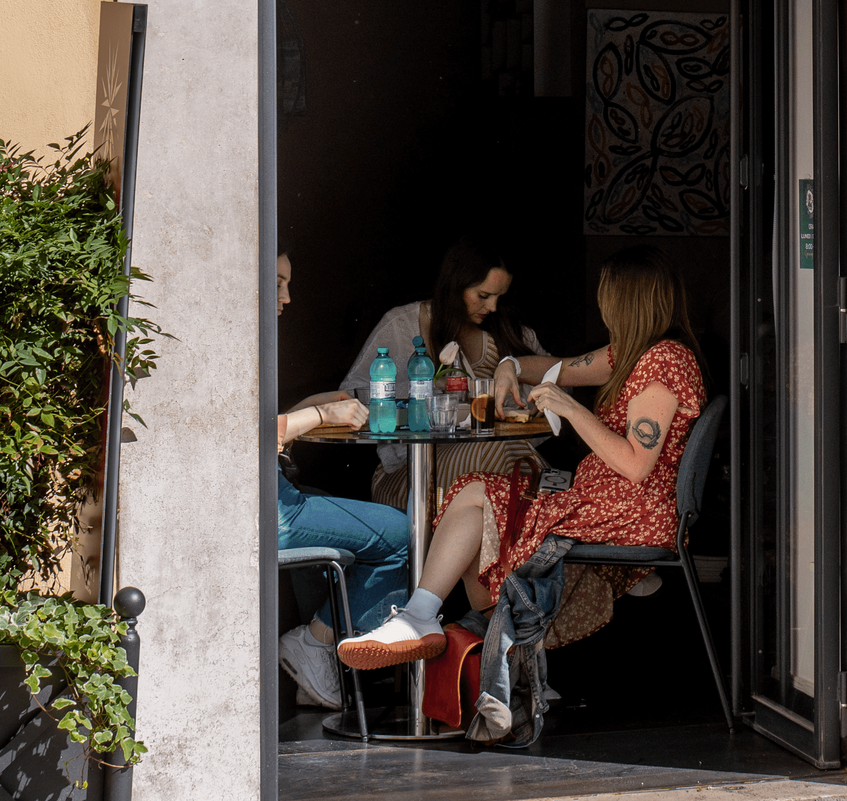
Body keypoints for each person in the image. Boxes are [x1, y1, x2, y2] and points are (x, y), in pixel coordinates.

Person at [338, 244, 705, 670]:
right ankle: (443, 625)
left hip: (629, 510)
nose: (602, 308)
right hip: (608, 500)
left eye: (607, 297)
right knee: (476, 497)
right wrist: (508, 366)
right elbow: (558, 366)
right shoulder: (633, 353)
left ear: (626, 302)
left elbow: (636, 464)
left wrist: (572, 409)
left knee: (480, 496)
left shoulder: (662, 364)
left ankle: (449, 625)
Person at [272, 253, 412, 710]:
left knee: (327, 505)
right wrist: (319, 415)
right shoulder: (234, 343)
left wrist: (311, 409)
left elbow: (260, 426)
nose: (287, 297)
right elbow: (240, 437)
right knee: (400, 535)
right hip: (271, 512)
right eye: (276, 284)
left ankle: (318, 657)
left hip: (274, 500)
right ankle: (315, 644)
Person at [342, 238, 550, 507]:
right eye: (484, 296)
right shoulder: (404, 324)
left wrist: (533, 403)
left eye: (501, 297)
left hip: (495, 460)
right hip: (411, 475)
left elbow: (556, 383)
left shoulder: (512, 333)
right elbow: (351, 398)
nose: (493, 308)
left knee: (506, 456)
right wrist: (430, 391)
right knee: (502, 456)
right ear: (455, 285)